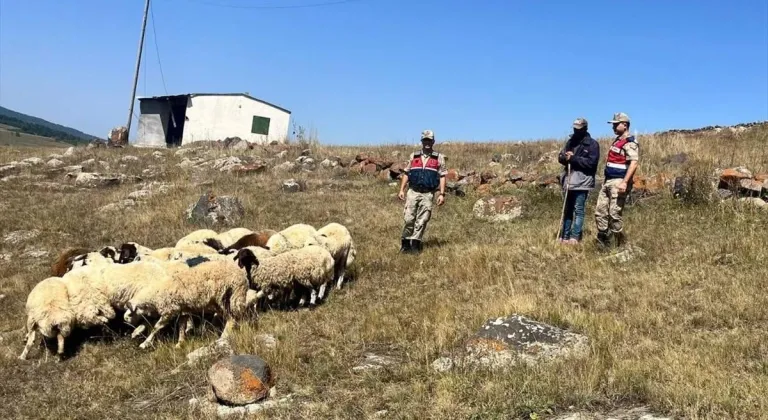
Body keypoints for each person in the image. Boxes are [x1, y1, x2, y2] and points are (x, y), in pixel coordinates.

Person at [397, 129, 447, 254]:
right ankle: (405, 243)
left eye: (429, 140)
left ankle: (415, 244)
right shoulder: (414, 156)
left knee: (422, 219)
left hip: (428, 193)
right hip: (413, 192)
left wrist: (441, 194)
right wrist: (401, 190)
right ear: (422, 141)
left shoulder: (439, 158)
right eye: (425, 140)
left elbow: (442, 176)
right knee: (409, 218)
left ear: (433, 141)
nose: (427, 142)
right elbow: (407, 173)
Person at [594, 112, 639, 248]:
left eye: (616, 124)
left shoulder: (630, 142)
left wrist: (625, 182)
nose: (613, 127)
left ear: (624, 125)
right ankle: (603, 239)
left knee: (614, 213)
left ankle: (619, 242)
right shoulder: (617, 140)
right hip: (608, 181)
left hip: (619, 181)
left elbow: (634, 162)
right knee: (600, 211)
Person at [557, 118, 600, 244]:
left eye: (579, 129)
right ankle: (564, 236)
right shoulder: (570, 142)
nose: (576, 131)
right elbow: (561, 157)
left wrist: (574, 158)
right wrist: (565, 157)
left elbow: (591, 163)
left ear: (585, 129)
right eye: (575, 128)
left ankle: (575, 237)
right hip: (569, 180)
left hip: (582, 181)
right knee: (567, 209)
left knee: (579, 209)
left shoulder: (592, 144)